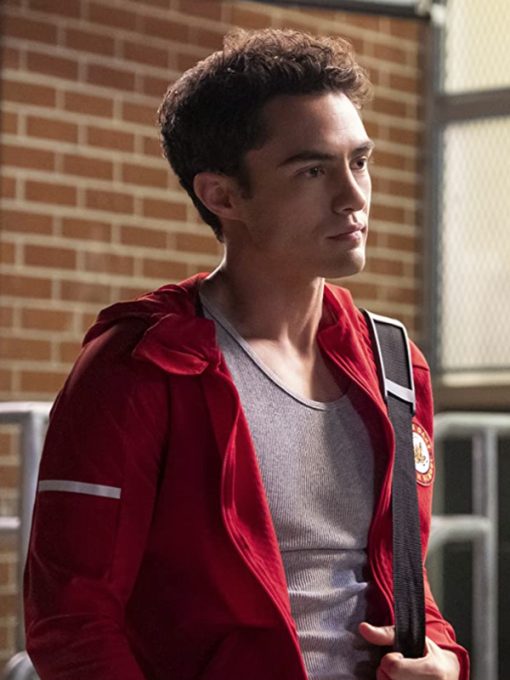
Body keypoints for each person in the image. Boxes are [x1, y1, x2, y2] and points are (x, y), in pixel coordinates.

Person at [24, 29, 469, 680]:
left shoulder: (395, 365)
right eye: (313, 170)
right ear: (223, 196)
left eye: (359, 162)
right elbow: (72, 621)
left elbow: (398, 574)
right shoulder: (139, 365)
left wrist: (443, 657)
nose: (354, 197)